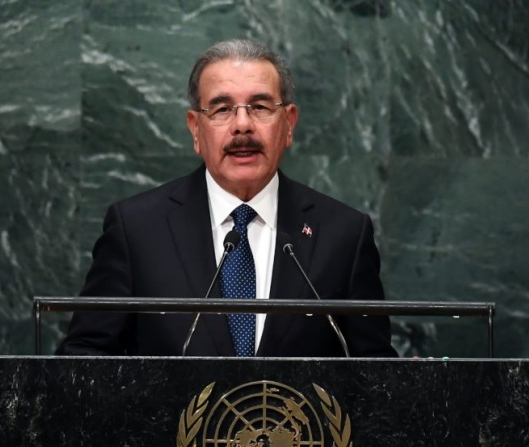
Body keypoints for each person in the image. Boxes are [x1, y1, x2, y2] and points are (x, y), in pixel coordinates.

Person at [56, 39, 395, 357]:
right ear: (195, 129)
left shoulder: (344, 234)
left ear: (289, 123)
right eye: (221, 109)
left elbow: (377, 374)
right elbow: (83, 360)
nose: (242, 126)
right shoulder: (137, 230)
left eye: (260, 106)